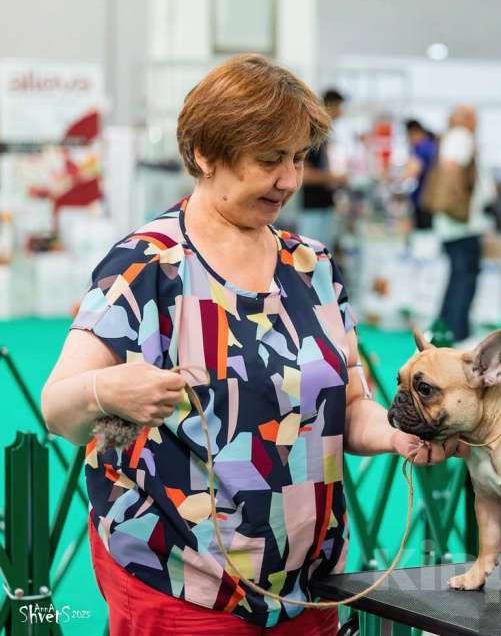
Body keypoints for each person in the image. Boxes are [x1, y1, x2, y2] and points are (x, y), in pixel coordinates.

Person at [41, 55, 464, 635]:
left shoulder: (313, 266)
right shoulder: (147, 266)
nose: (289, 179)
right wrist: (105, 389)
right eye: (270, 160)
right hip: (183, 583)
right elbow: (57, 406)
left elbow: (349, 406)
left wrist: (398, 436)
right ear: (206, 155)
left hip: (311, 584)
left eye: (297, 159)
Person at [430, 104, 492, 344]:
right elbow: (451, 170)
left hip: (456, 224)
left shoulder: (451, 137)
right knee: (464, 277)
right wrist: (458, 206)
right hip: (462, 224)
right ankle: (459, 331)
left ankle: (447, 326)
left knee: (458, 276)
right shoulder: (461, 137)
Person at [299, 88, 346, 251]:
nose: (341, 112)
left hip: (325, 204)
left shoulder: (325, 137)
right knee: (309, 256)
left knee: (322, 258)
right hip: (313, 207)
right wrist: (334, 178)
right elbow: (304, 174)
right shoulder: (312, 136)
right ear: (330, 107)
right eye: (339, 107)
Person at [402, 118, 437, 230]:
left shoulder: (422, 148)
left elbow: (411, 172)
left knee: (423, 237)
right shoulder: (432, 145)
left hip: (424, 201)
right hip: (431, 200)